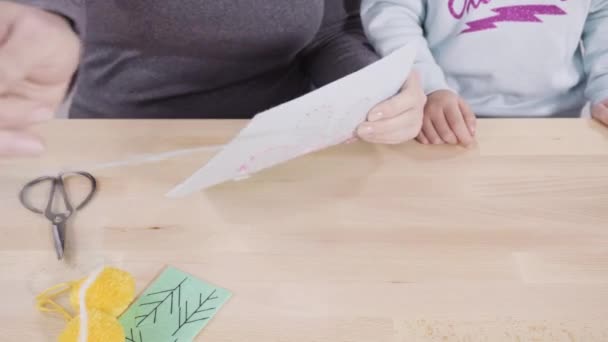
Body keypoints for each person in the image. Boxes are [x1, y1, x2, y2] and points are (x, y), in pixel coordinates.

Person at [0, 1, 426, 158]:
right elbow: (55, 12)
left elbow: (330, 28)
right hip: (129, 161)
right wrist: (47, 25)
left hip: (280, 157)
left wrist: (374, 85)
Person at [361, 0, 608, 146]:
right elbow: (392, 11)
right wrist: (428, 87)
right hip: (440, 124)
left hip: (560, 127)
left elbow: (602, 13)